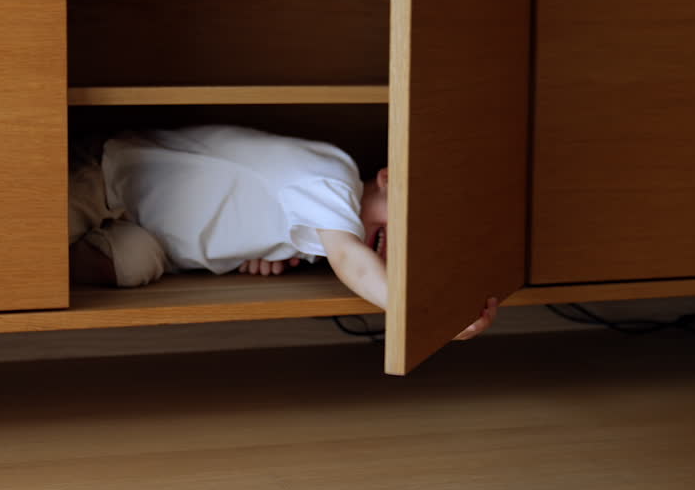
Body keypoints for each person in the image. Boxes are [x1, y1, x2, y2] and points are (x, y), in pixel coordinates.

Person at [69, 125, 497, 340]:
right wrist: (424, 317)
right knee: (48, 221)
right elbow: (352, 261)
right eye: (411, 226)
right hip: (113, 175)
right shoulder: (331, 177)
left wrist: (246, 254)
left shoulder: (313, 239)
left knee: (130, 263)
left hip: (148, 237)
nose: (400, 249)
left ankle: (45, 273)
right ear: (387, 179)